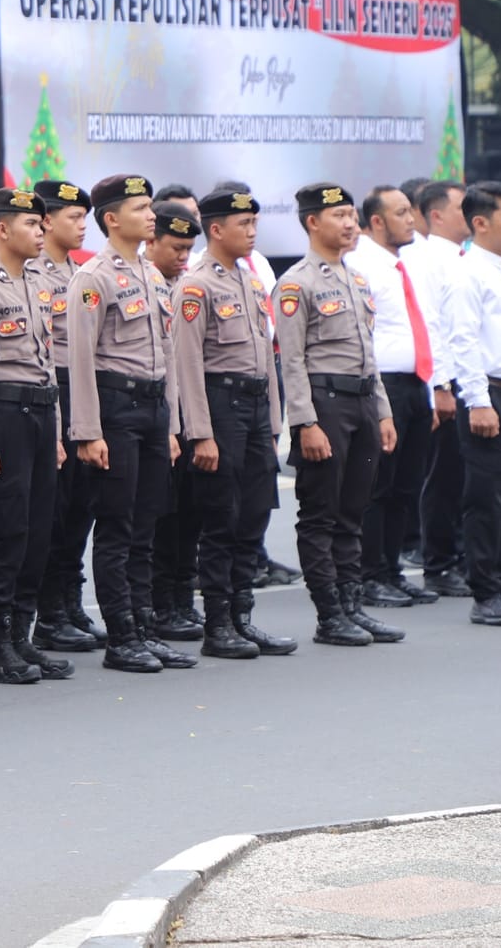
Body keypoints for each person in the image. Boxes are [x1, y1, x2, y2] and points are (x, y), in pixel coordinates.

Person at [67, 174, 194, 672]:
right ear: (112, 219)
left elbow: (166, 353)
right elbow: (79, 360)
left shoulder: (153, 275)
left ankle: (144, 626)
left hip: (151, 409)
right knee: (117, 526)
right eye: (142, 209)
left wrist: (170, 425)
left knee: (147, 524)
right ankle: (122, 636)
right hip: (115, 410)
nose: (152, 217)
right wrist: (88, 431)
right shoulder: (92, 277)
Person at [171, 187, 296, 660]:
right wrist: (200, 432)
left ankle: (243, 619)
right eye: (243, 224)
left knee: (254, 514)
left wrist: (273, 419)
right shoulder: (195, 284)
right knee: (221, 518)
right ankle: (218, 624)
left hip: (253, 407)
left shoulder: (250, 280)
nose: (252, 232)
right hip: (218, 407)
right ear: (217, 228)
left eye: (254, 224)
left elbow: (266, 355)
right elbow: (186, 365)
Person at [276, 182, 400, 645]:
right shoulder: (296, 283)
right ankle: (329, 614)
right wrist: (305, 423)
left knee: (354, 511)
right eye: (339, 216)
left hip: (364, 402)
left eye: (352, 215)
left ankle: (352, 605)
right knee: (321, 513)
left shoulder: (356, 278)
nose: (350, 224)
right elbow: (291, 361)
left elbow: (369, 352)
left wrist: (383, 411)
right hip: (326, 405)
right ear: (312, 222)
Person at [0, 187, 69, 684]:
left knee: (39, 530)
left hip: (41, 414)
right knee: (5, 533)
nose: (42, 232)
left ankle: (21, 636)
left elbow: (47, 365)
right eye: (32, 225)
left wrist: (59, 432)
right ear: (3, 230)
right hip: (5, 414)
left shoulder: (36, 284)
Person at [347, 185, 444, 608]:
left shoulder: (407, 264)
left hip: (413, 385)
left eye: (411, 211)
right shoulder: (360, 265)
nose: (411, 219)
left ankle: (392, 570)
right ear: (376, 222)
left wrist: (430, 387)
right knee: (378, 485)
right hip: (381, 385)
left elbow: (423, 328)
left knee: (406, 485)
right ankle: (369, 575)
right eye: (402, 212)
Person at [445, 182, 501, 627]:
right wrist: (477, 401)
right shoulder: (467, 272)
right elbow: (464, 341)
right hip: (490, 394)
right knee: (485, 499)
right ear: (480, 223)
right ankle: (486, 591)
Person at [34, 181, 107, 651]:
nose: (83, 226)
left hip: (84, 386)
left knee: (83, 504)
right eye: (73, 218)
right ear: (46, 221)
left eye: (85, 218)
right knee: (54, 508)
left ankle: (70, 600)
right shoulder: (32, 273)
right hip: (51, 387)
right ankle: (49, 612)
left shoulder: (82, 271)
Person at [141, 200, 209, 642]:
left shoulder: (190, 285)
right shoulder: (140, 283)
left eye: (189, 249)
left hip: (192, 415)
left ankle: (183, 598)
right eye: (176, 247)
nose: (184, 257)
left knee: (191, 515)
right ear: (151, 241)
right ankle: (158, 604)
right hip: (156, 417)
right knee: (157, 519)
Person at [406, 179, 472, 597]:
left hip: (476, 381)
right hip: (449, 383)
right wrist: (442, 386)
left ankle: (464, 555)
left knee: (471, 479)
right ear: (436, 215)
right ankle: (440, 562)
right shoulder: (427, 259)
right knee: (444, 477)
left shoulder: (468, 258)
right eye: (464, 207)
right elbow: (433, 328)